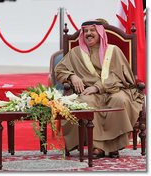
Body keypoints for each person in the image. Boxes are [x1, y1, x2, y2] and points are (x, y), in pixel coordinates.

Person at [55, 20, 144, 159]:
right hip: (88, 91)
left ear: (100, 33)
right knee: (85, 102)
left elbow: (121, 76)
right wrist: (72, 76)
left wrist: (98, 87)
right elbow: (59, 70)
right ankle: (97, 146)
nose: (89, 34)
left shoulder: (114, 50)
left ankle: (114, 146)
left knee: (120, 101)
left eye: (92, 30)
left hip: (115, 89)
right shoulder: (76, 53)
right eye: (86, 31)